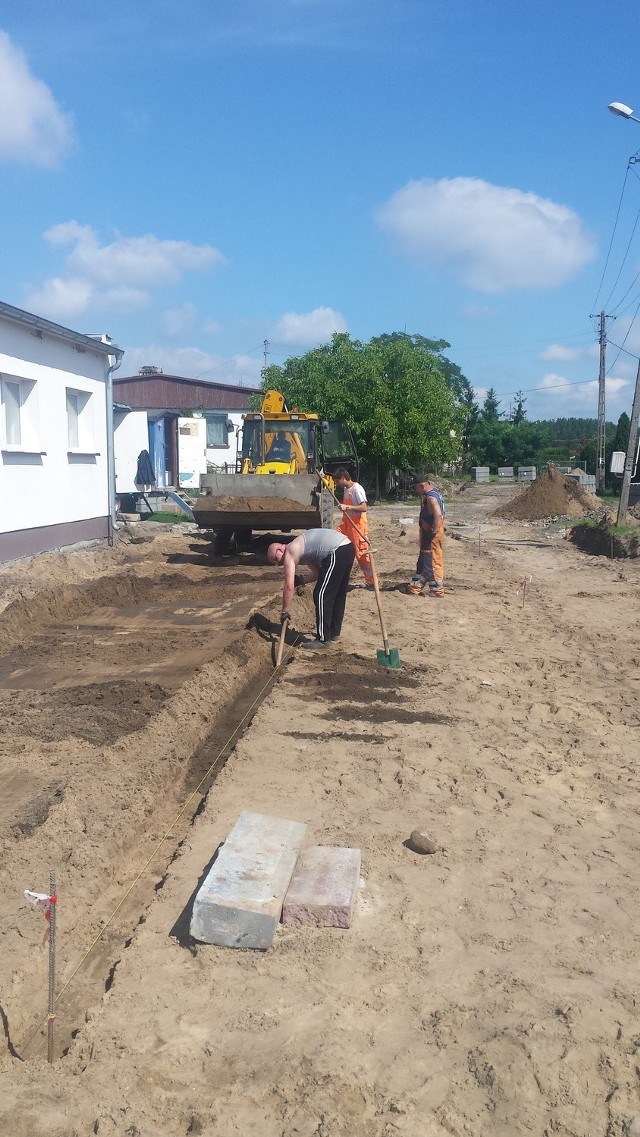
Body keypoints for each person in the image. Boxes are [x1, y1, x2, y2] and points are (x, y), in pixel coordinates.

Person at [267, 529, 355, 650]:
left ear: (280, 549)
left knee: (321, 595)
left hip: (337, 550)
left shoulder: (290, 551)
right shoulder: (306, 550)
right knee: (338, 592)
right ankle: (333, 632)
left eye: (275, 559)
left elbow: (288, 586)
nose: (278, 564)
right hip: (347, 548)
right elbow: (318, 573)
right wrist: (302, 581)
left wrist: (285, 611)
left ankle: (323, 639)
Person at [334, 468, 376, 588]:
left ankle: (371, 581)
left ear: (343, 478)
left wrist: (347, 507)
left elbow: (364, 507)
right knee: (335, 542)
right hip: (347, 524)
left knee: (361, 555)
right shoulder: (346, 490)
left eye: (337, 481)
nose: (337, 484)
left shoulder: (357, 489)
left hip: (357, 526)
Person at [407, 475, 446, 597]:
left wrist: (432, 532)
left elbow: (438, 515)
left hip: (431, 534)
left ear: (422, 486)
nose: (416, 491)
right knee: (424, 559)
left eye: (416, 488)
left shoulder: (431, 498)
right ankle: (416, 585)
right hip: (428, 532)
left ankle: (437, 590)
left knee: (431, 561)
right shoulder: (433, 494)